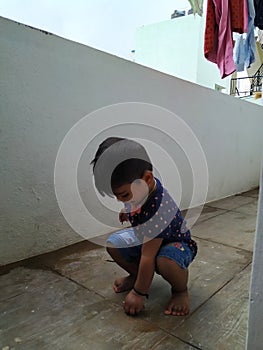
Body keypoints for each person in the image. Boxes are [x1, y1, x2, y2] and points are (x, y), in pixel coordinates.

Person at [91, 137, 197, 316]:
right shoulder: (142, 188)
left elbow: (148, 256)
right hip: (146, 236)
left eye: (123, 195)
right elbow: (135, 202)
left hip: (176, 244)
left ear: (147, 178)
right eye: (117, 196)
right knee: (114, 244)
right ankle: (136, 276)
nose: (120, 200)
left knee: (165, 261)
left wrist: (138, 293)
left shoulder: (158, 209)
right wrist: (127, 210)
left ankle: (180, 290)